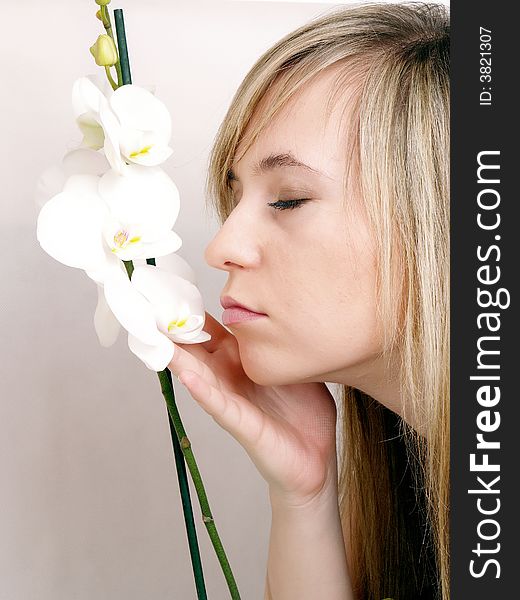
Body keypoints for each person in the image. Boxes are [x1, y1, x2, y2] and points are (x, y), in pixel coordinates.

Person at [168, 2, 450, 599]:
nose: (222, 246)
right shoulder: (411, 483)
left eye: (289, 199)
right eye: (235, 196)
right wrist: (304, 494)